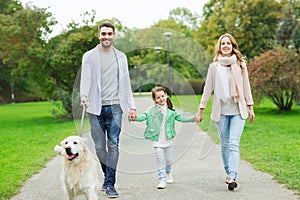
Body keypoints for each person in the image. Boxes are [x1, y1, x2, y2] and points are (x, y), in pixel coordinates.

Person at [80, 22, 136, 198]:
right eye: (103, 34)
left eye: (109, 34)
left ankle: (111, 183)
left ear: (114, 35)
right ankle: (107, 175)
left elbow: (126, 83)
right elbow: (86, 78)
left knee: (113, 144)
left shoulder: (121, 57)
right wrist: (84, 96)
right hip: (95, 108)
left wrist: (132, 106)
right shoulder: (89, 56)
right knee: (99, 146)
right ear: (99, 35)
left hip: (115, 107)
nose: (106, 37)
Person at [196, 33, 255, 191]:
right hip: (220, 111)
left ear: (233, 46)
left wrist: (250, 107)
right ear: (219, 47)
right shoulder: (214, 67)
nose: (226, 46)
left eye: (228, 43)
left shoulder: (241, 65)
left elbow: (246, 87)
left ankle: (233, 176)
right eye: (223, 44)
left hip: (238, 110)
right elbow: (208, 89)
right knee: (224, 145)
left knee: (234, 143)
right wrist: (200, 110)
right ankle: (228, 173)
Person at [130, 86, 197, 189]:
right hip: (158, 140)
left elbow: (181, 118)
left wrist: (193, 119)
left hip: (168, 140)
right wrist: (135, 118)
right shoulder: (151, 110)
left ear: (166, 95)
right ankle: (162, 179)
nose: (161, 99)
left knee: (168, 160)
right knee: (160, 160)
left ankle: (168, 172)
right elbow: (143, 116)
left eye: (162, 96)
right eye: (158, 97)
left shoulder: (171, 110)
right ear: (155, 100)